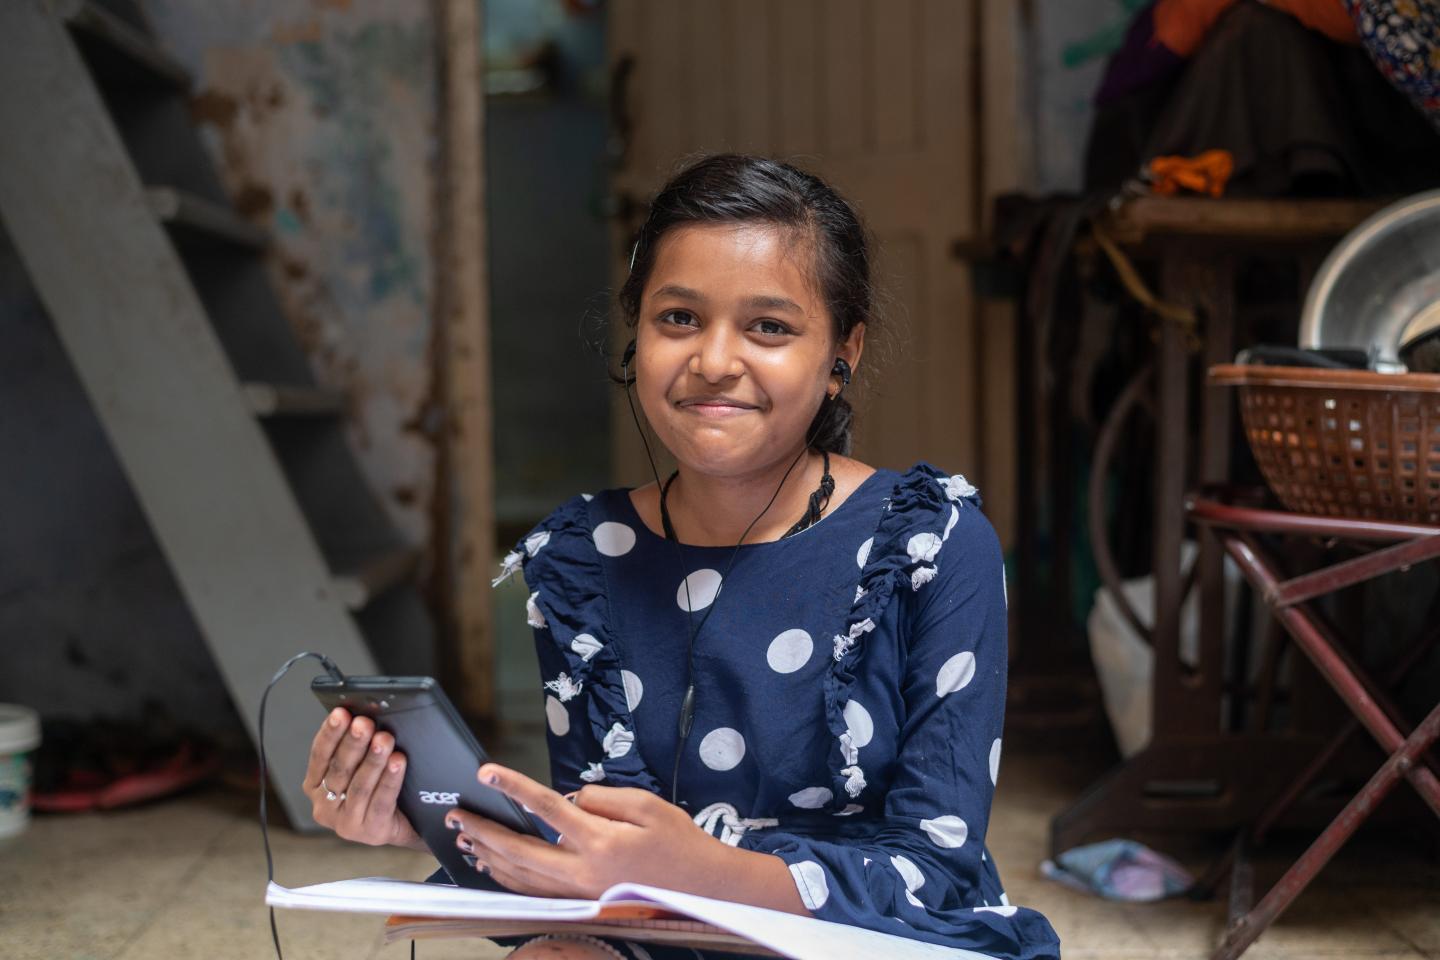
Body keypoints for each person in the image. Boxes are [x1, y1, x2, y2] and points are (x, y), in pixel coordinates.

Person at [302, 154, 1061, 960]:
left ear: (844, 353)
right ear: (638, 334)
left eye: (769, 326)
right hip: (664, 933)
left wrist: (709, 872)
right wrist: (433, 822)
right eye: (679, 319)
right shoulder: (582, 561)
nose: (714, 361)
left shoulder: (930, 541)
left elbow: (934, 869)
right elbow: (604, 862)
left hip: (872, 937)